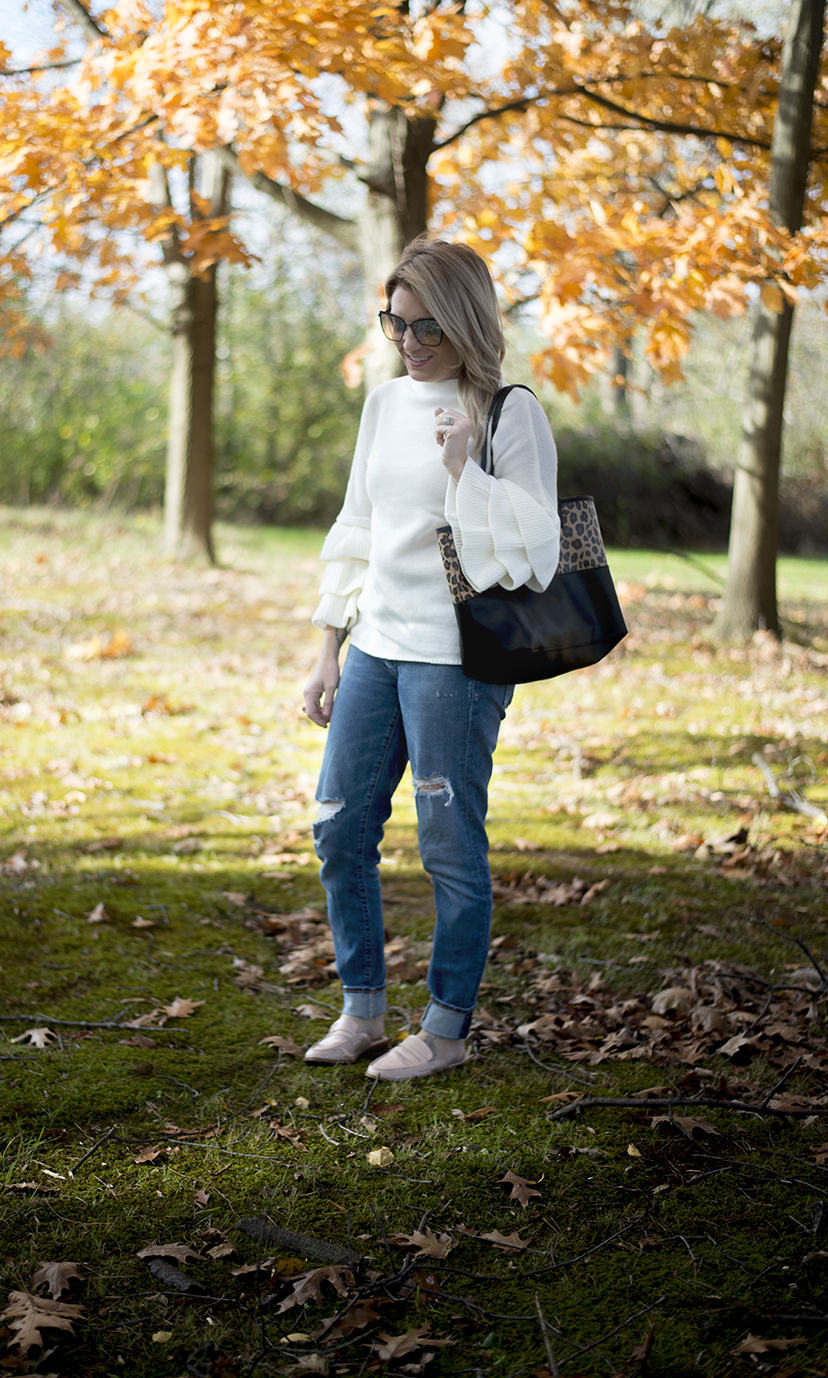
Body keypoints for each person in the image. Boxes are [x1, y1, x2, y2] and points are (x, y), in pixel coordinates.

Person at [301, 237, 560, 1082]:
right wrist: (326, 647)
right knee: (339, 826)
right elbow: (357, 525)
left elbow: (534, 552)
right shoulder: (383, 404)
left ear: (465, 320)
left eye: (426, 326)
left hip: (458, 664)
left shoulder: (508, 412)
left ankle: (445, 1029)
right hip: (376, 648)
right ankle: (364, 1011)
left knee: (449, 846)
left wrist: (463, 472)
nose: (409, 342)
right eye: (395, 323)